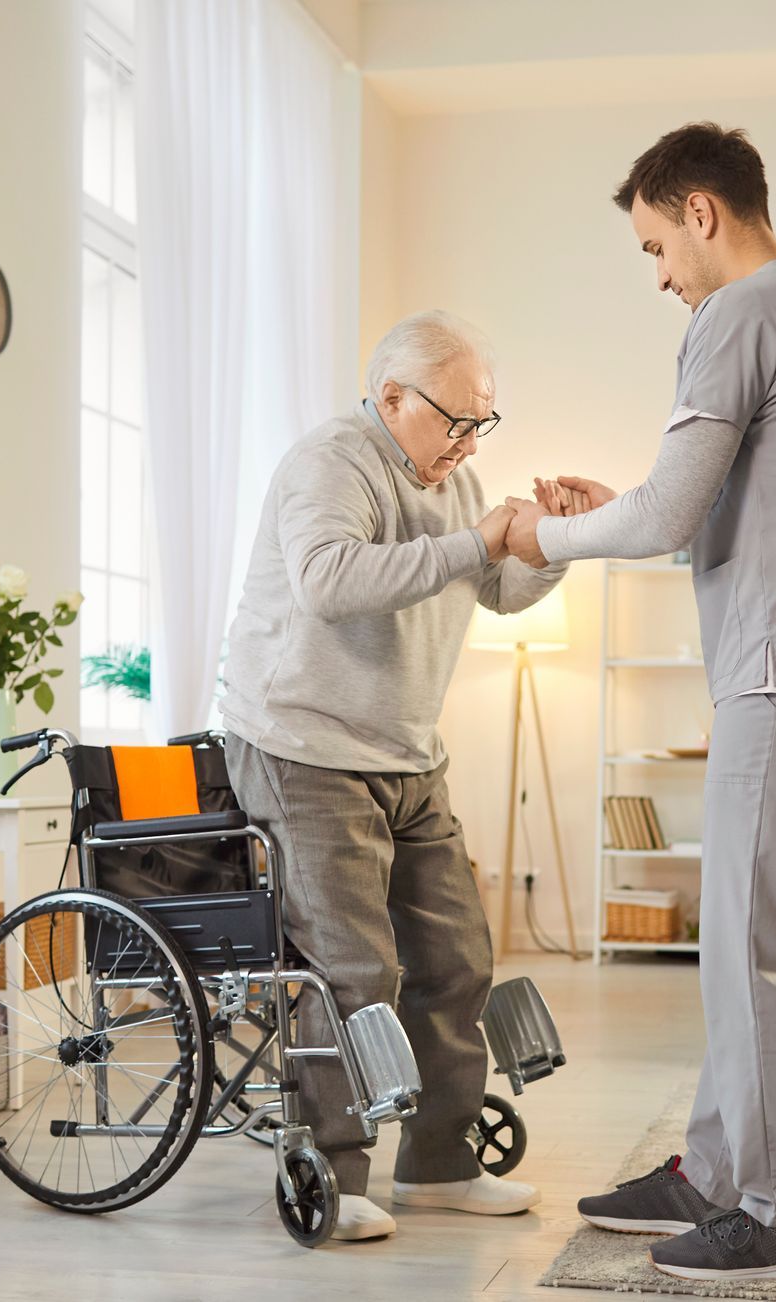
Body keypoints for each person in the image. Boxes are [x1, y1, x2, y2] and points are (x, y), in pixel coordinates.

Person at [504, 122, 776, 1283]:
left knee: (748, 952)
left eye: (654, 247)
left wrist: (549, 532)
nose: (660, 277)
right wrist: (615, 504)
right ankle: (712, 1168)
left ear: (700, 210)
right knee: (755, 941)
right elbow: (710, 498)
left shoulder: (735, 313)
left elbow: (663, 519)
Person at [218, 310, 565, 1241]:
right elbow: (331, 581)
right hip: (305, 747)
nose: (468, 440)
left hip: (407, 751)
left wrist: (555, 543)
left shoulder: (459, 480)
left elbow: (495, 589)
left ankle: (442, 1165)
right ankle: (335, 1172)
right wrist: (481, 543)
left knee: (458, 960)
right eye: (456, 419)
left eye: (482, 422)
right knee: (353, 968)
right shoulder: (332, 463)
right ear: (391, 399)